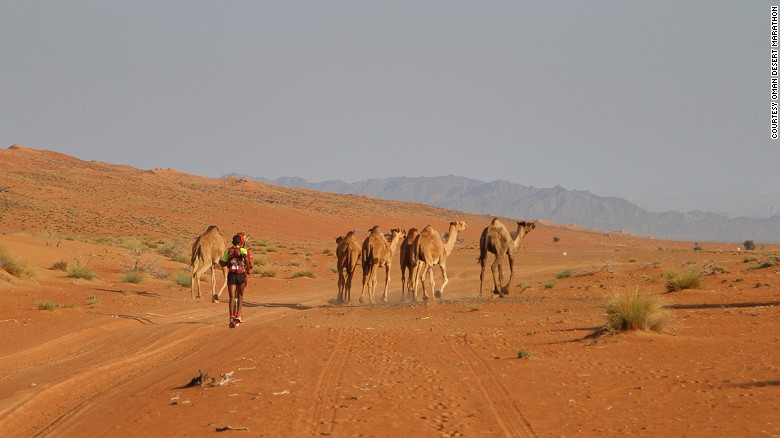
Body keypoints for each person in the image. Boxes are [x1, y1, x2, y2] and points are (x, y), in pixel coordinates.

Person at [220, 233, 253, 328]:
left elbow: (222, 263)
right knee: (240, 296)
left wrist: (226, 262)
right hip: (241, 275)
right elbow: (246, 259)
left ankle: (231, 317)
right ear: (241, 242)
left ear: (232, 242)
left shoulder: (228, 251)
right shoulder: (243, 250)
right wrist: (247, 268)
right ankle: (238, 315)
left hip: (231, 276)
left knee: (231, 297)